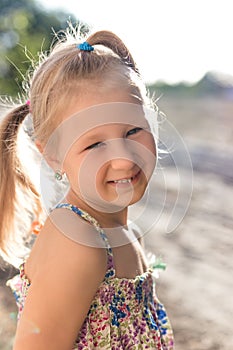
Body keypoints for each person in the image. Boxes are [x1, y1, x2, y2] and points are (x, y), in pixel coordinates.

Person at [0, 24, 174, 349]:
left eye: (133, 130)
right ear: (52, 156)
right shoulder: (79, 242)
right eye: (94, 145)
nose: (123, 159)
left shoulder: (123, 232)